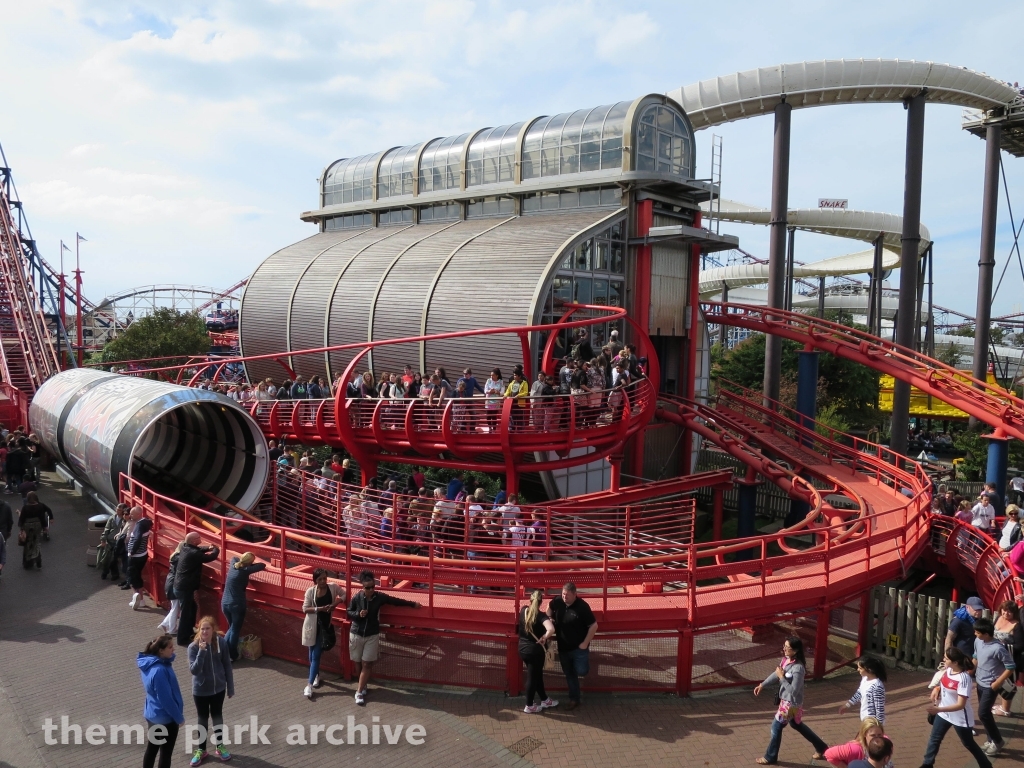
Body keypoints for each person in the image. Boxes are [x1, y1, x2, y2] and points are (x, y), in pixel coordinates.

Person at [346, 569, 420, 705]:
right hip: (356, 633)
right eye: (368, 588)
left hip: (372, 634)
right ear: (362, 587)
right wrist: (358, 614)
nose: (371, 590)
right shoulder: (357, 597)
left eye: (373, 587)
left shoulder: (379, 597)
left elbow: (395, 601)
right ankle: (363, 684)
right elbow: (349, 612)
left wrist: (412, 604)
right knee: (357, 661)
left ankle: (359, 691)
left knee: (367, 663)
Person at [753, 637, 829, 765]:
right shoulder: (786, 660)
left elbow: (794, 691)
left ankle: (770, 756)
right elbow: (776, 673)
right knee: (796, 724)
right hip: (787, 702)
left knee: (776, 727)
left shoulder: (798, 668)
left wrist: (782, 677)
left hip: (790, 704)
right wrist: (763, 684)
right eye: (784, 646)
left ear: (795, 650)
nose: (784, 649)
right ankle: (822, 748)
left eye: (787, 647)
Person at [919, 646, 992, 768]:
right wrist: (937, 688)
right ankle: (927, 764)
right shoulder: (948, 671)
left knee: (969, 744)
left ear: (955, 662)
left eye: (946, 658)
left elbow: (960, 705)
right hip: (944, 714)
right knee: (934, 739)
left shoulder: (964, 679)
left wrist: (938, 709)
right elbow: (945, 685)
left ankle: (986, 765)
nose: (943, 659)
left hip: (960, 718)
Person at [187, 616, 234, 765]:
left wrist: (230, 686)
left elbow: (227, 665)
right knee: (202, 719)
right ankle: (201, 749)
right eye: (202, 628)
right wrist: (202, 651)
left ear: (213, 630)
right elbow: (194, 670)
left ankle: (220, 746)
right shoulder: (193, 647)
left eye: (208, 628)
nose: (205, 631)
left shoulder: (221, 642)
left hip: (218, 688)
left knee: (217, 717)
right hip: (200, 690)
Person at [547, 582, 597, 711]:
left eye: (567, 595)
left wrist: (585, 644)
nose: (564, 597)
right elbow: (549, 606)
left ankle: (582, 667)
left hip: (578, 648)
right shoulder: (558, 601)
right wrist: (549, 618)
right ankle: (574, 699)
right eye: (563, 594)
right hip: (563, 647)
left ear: (575, 594)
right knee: (569, 674)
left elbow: (593, 626)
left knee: (582, 671)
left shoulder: (582, 607)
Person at [137, 634, 185, 768]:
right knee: (165, 754)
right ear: (161, 650)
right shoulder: (159, 670)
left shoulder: (149, 663)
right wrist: (178, 718)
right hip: (165, 719)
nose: (173, 649)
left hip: (152, 715)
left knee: (152, 749)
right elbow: (166, 699)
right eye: (170, 647)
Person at [972, 616, 1015, 755]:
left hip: (990, 686)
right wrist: (969, 672)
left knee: (983, 713)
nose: (975, 634)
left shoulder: (998, 648)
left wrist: (997, 683)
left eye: (977, 632)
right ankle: (990, 740)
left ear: (986, 634)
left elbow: (1010, 667)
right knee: (985, 713)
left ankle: (997, 741)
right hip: (979, 682)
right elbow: (976, 657)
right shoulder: (978, 641)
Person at [301, 568, 344, 700]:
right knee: (311, 652)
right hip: (312, 626)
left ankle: (309, 685)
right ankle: (316, 676)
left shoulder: (333, 587)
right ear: (315, 581)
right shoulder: (310, 591)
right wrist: (320, 609)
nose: (323, 581)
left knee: (316, 655)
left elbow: (344, 594)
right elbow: (305, 609)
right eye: (319, 579)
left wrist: (335, 603)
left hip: (324, 627)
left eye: (324, 578)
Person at [173, 533, 221, 646]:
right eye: (198, 538)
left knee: (192, 608)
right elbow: (209, 557)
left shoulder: (186, 548)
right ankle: (182, 639)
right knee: (185, 614)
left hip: (181, 586)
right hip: (185, 588)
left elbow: (198, 550)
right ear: (194, 541)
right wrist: (216, 550)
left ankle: (189, 631)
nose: (201, 539)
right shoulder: (193, 553)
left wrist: (208, 548)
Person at [518, 590, 559, 713]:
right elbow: (551, 629)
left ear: (530, 600)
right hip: (535, 651)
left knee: (536, 675)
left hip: (522, 649)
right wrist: (544, 637)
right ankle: (529, 705)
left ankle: (544, 699)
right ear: (541, 602)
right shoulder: (542, 616)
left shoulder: (523, 610)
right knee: (532, 677)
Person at [221, 552, 266, 661]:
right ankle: (230, 654)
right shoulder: (245, 571)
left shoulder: (233, 565)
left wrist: (246, 563)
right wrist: (251, 565)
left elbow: (234, 558)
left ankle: (223, 651)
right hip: (237, 604)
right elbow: (262, 565)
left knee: (231, 628)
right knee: (234, 629)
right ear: (250, 563)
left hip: (225, 602)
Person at [993, 599, 1024, 716]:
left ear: (1014, 613)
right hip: (994, 659)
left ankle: (1006, 710)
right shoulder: (998, 618)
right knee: (994, 681)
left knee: (1008, 683)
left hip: (1009, 659)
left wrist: (1004, 646)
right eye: (1004, 610)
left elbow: (1020, 646)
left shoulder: (1017, 625)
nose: (1006, 613)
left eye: (1010, 612)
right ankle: (998, 705)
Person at [822, 717, 887, 768]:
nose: (877, 738)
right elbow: (828, 754)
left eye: (879, 735)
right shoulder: (854, 749)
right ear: (864, 734)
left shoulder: (887, 743)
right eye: (873, 735)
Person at [839, 656, 886, 723]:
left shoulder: (877, 686)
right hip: (865, 719)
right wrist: (847, 705)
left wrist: (878, 725)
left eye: (860, 668)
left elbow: (879, 709)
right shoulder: (864, 679)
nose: (858, 669)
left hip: (872, 722)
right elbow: (859, 693)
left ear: (869, 669)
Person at [125, 506, 154, 610]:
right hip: (143, 554)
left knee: (132, 577)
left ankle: (137, 597)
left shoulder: (139, 526)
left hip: (135, 556)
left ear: (138, 514)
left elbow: (137, 539)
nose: (130, 515)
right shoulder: (146, 522)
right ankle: (140, 599)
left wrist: (132, 551)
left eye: (132, 514)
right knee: (137, 575)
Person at [17, 491, 49, 569]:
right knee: (36, 541)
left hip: (27, 527)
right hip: (37, 526)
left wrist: (21, 528)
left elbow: (22, 518)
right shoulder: (40, 506)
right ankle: (38, 560)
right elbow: (42, 518)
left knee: (28, 543)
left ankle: (28, 562)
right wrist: (45, 527)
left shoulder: (25, 507)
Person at [158, 541, 183, 634]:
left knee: (174, 607)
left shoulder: (174, 556)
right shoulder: (180, 559)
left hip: (169, 583)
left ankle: (164, 624)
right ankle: (172, 629)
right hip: (174, 584)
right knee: (175, 608)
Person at [98, 504, 128, 580]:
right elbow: (107, 529)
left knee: (113, 559)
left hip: (119, 542)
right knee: (106, 558)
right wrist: (103, 539)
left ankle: (114, 574)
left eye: (119, 510)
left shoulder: (125, 520)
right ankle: (105, 571)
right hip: (110, 541)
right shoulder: (112, 518)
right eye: (117, 509)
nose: (117, 511)